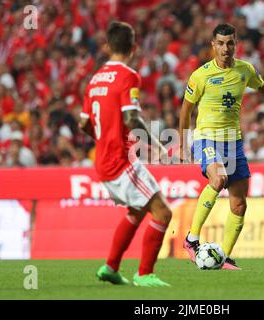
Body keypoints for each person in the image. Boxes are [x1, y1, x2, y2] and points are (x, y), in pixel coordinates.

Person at [179, 23, 264, 270]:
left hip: (232, 141)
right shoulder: (200, 75)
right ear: (213, 45)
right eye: (221, 43)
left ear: (236, 44)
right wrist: (183, 143)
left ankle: (223, 257)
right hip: (207, 137)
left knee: (239, 204)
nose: (226, 48)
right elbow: (186, 111)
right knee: (219, 179)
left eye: (230, 43)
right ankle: (191, 239)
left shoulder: (245, 71)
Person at [79, 21, 172, 287]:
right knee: (163, 213)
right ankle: (144, 274)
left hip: (103, 161)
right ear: (133, 48)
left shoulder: (94, 80)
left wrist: (105, 138)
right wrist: (156, 144)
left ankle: (110, 267)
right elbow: (131, 117)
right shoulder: (128, 76)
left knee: (137, 210)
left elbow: (84, 124)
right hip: (121, 160)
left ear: (107, 46)